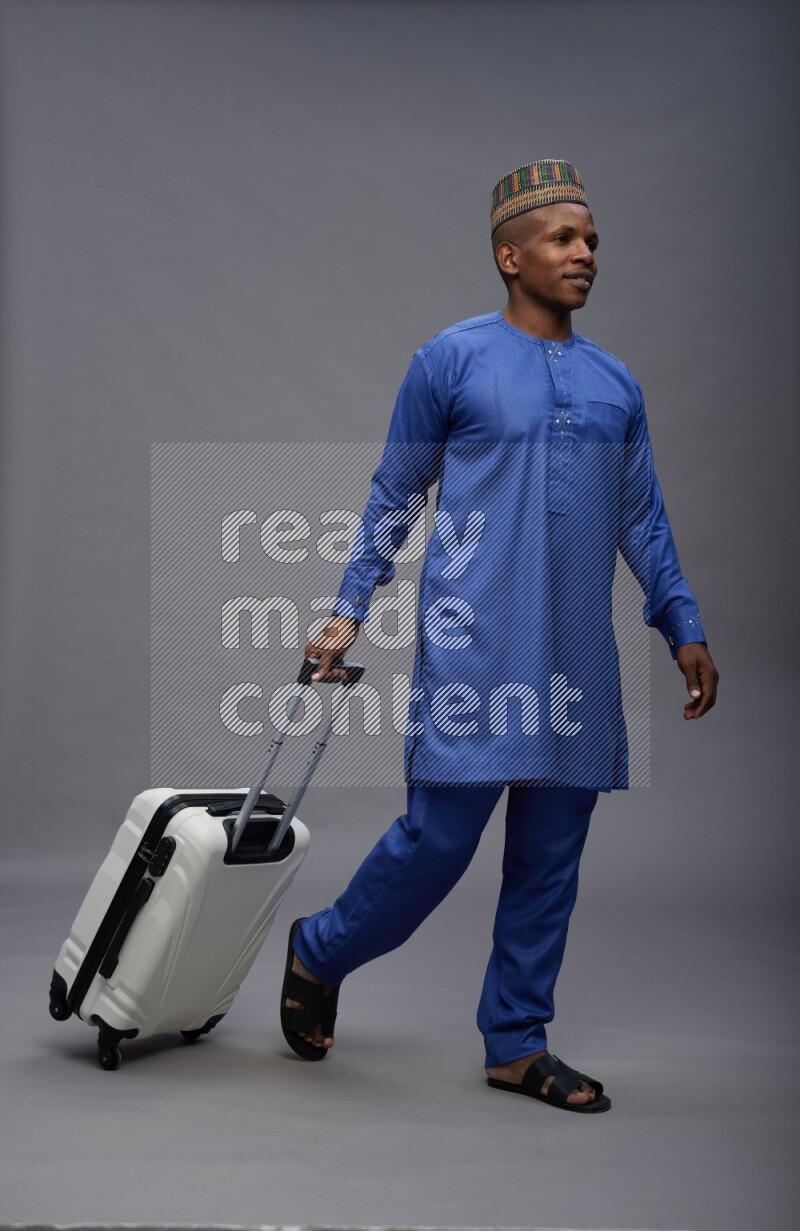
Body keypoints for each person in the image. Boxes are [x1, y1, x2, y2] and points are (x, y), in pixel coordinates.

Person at [279, 158, 719, 1113]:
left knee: (550, 857)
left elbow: (640, 516)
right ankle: (321, 950)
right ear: (508, 254)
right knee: (437, 842)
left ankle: (517, 1040)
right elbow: (396, 490)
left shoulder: (615, 383)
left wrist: (679, 619)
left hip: (575, 657)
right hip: (475, 643)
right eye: (565, 238)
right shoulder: (452, 359)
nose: (586, 254)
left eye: (593, 239)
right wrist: (349, 606)